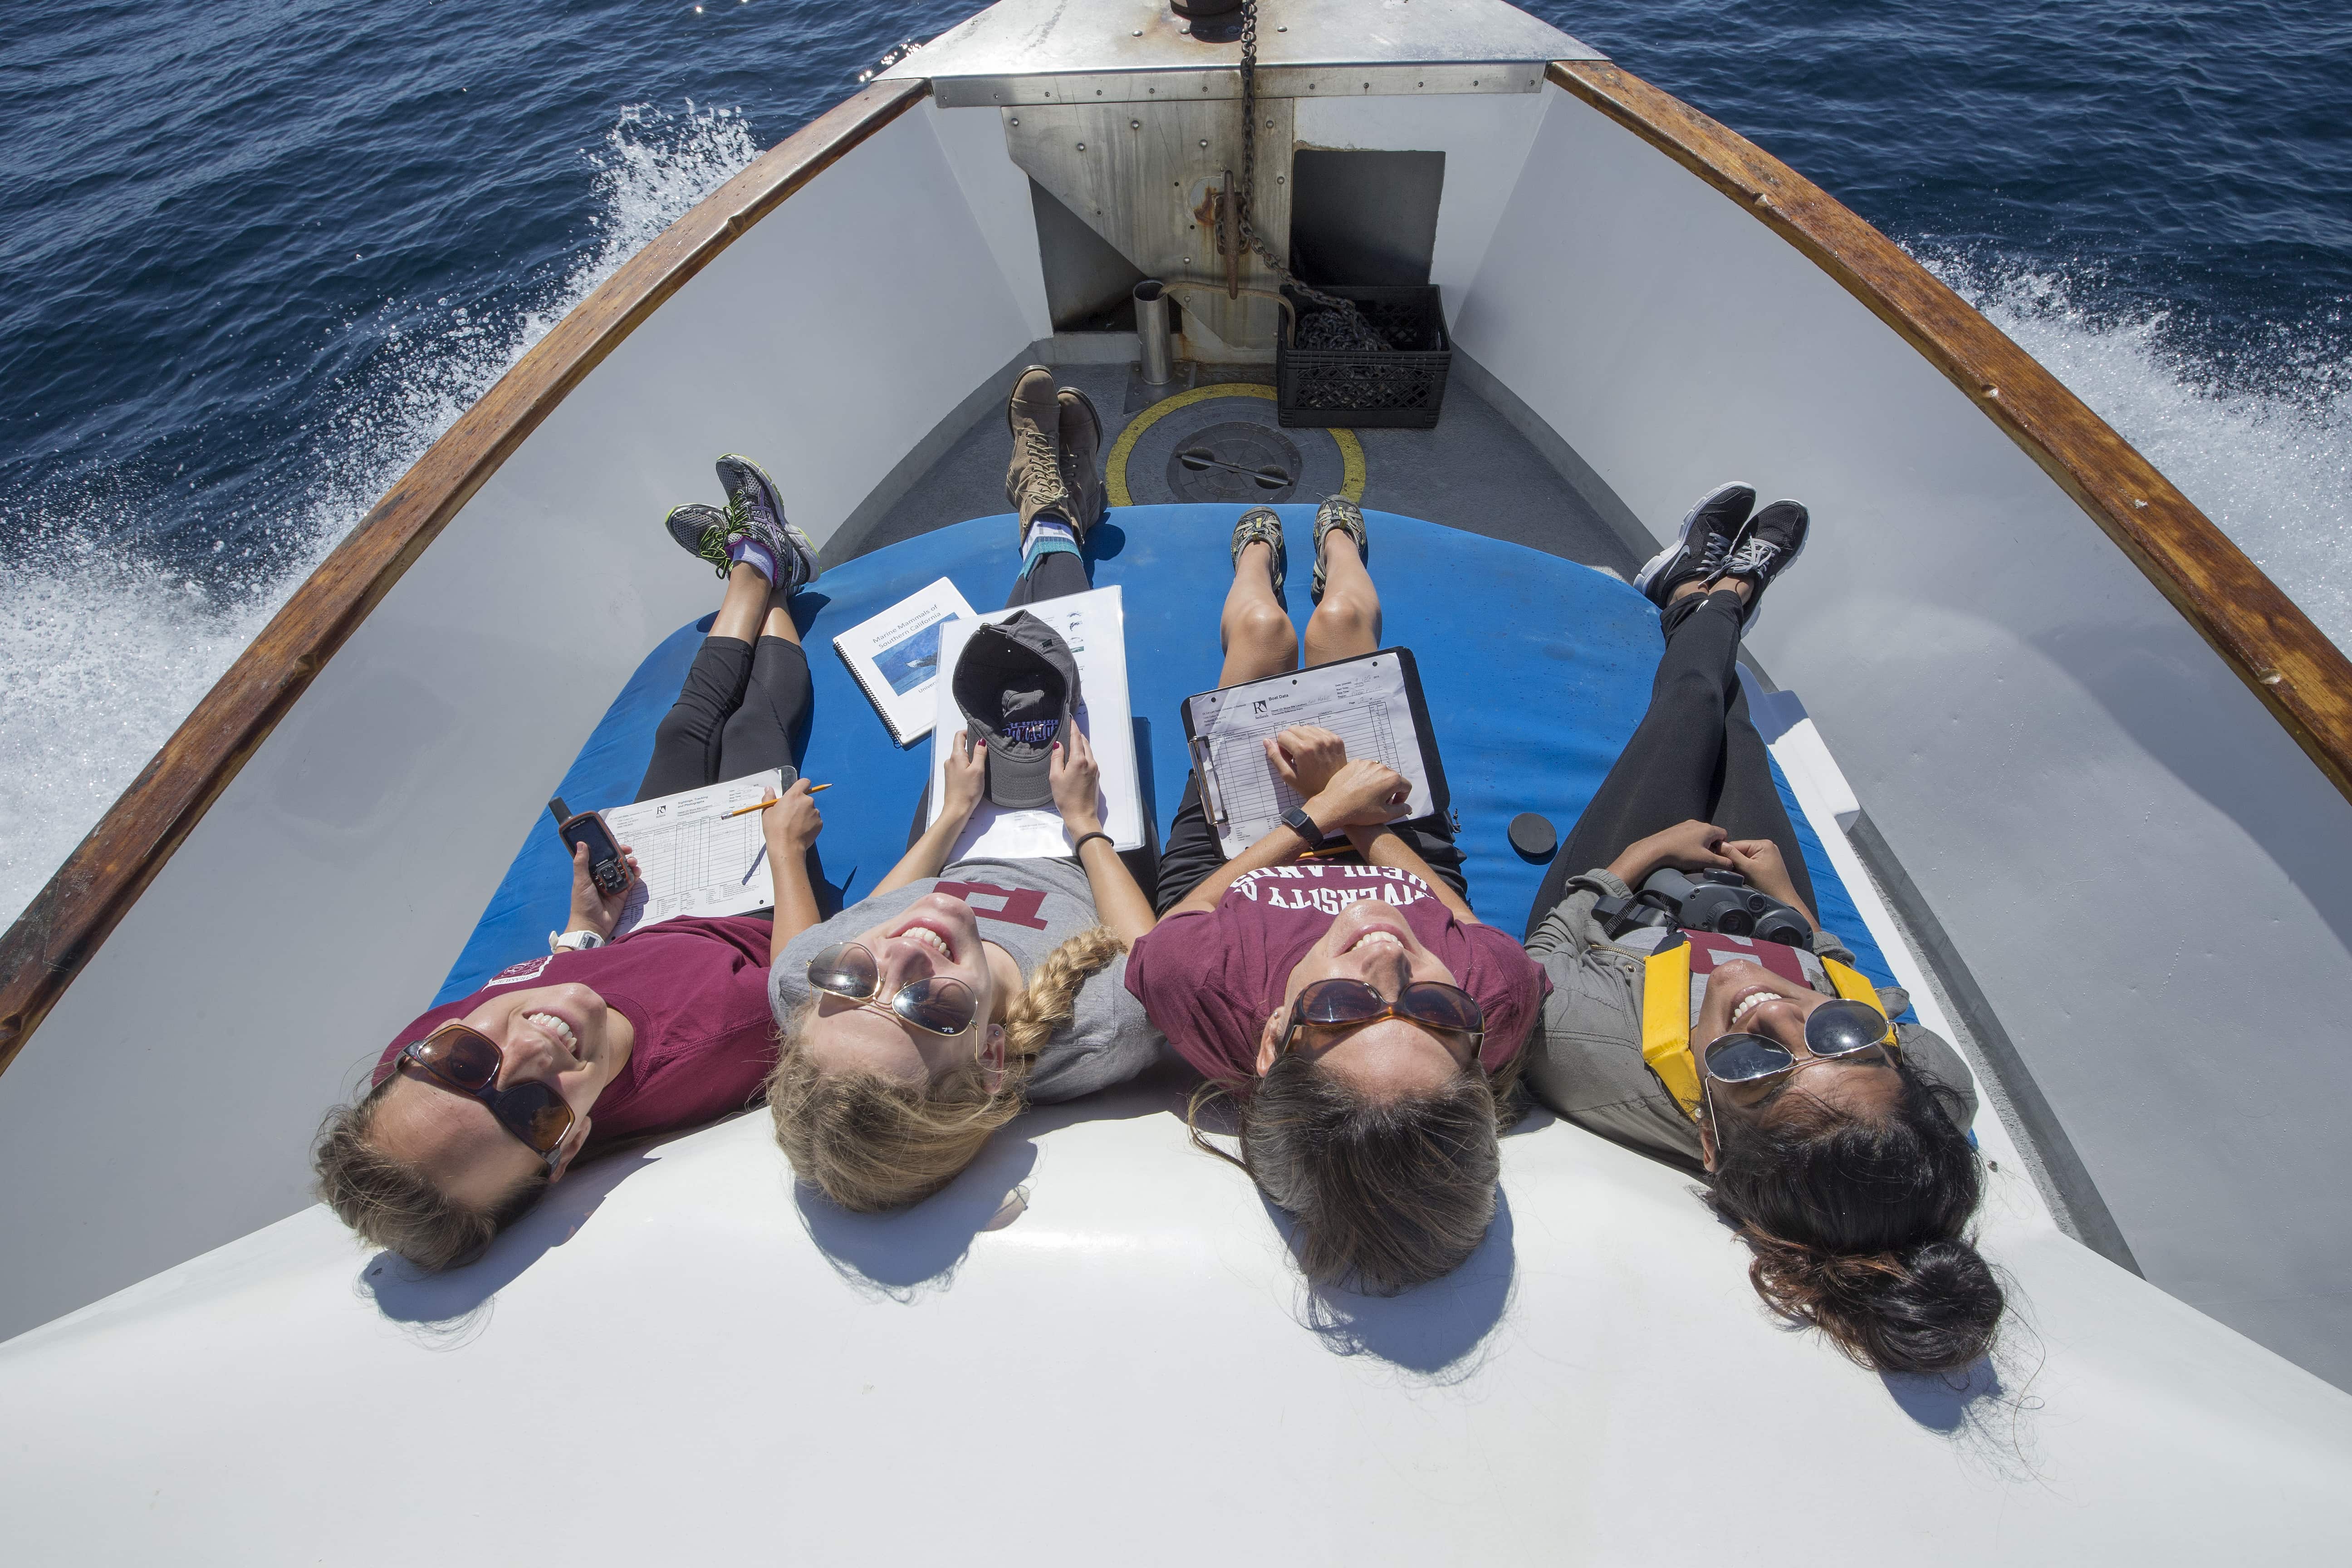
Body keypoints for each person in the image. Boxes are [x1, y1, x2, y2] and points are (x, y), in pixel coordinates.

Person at [1521, 481, 2002, 1373]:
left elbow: (1552, 945)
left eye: (1750, 1065)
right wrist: (1797, 916)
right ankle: (1713, 609)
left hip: (1628, 910)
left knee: (1687, 717)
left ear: (1712, 1139)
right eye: (1841, 1036)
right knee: (1742, 741)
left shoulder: (1583, 1047)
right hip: (1772, 913)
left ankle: (1709, 596)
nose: (1769, 1007)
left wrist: (1639, 858)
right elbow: (1852, 981)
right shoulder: (1934, 1090)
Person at [313, 455, 830, 1270]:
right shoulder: (712, 1050)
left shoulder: (406, 1075)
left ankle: (755, 565)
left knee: (682, 731)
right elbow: (796, 973)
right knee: (751, 730)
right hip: (747, 906)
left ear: (418, 1056)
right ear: (565, 1156)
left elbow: (519, 1002)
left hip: (634, 922)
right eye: (531, 1112)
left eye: (464, 1061)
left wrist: (584, 936)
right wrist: (785, 854)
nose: (528, 1053)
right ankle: (772, 570)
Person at [1123, 498, 1550, 1294]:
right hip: (1390, 845)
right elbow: (1456, 920)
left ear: (1274, 1037)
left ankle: (1256, 561)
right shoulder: (1496, 1001)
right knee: (1345, 621)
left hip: (1247, 856)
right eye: (1434, 1012)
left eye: (1341, 1009)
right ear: (1476, 1053)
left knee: (1261, 633)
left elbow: (1180, 921)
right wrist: (1363, 824)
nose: (1385, 953)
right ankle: (1341, 546)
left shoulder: (1202, 989)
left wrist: (1314, 812)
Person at [764, 366, 1163, 1212]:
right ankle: (1052, 506)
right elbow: (1150, 960)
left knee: (989, 670)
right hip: (1076, 848)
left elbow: (867, 918)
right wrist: (1087, 825)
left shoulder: (811, 987)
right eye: (925, 1005)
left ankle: (1052, 507)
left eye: (856, 982)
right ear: (988, 1059)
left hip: (960, 837)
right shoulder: (1094, 1031)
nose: (899, 951)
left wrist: (947, 821)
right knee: (1056, 661)